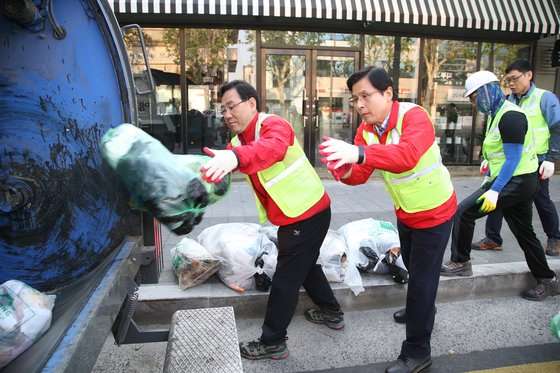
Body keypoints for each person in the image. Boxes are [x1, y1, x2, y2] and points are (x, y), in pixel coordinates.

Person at [320, 67, 457, 373]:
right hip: (406, 212)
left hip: (435, 213)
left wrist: (358, 154)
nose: (360, 105)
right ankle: (421, 311)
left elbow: (406, 156)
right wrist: (340, 168)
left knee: (421, 283)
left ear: (388, 94)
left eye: (366, 96)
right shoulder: (367, 130)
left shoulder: (414, 117)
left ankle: (417, 353)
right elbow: (359, 174)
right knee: (413, 270)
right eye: (355, 98)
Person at [201, 80, 343, 360]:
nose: (227, 114)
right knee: (306, 266)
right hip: (293, 215)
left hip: (307, 213)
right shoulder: (236, 142)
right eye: (223, 109)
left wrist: (234, 158)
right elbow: (236, 164)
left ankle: (273, 342)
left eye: (232, 106)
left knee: (285, 280)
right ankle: (332, 312)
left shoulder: (274, 125)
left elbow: (271, 150)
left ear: (251, 103)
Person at [440, 70, 560, 302]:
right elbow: (503, 152)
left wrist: (495, 190)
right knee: (525, 233)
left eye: (474, 97)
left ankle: (461, 261)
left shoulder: (510, 117)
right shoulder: (498, 114)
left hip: (517, 180)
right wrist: (489, 161)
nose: (474, 103)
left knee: (464, 212)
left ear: (488, 91)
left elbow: (514, 159)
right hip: (519, 179)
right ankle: (547, 280)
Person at [472, 60, 560, 256]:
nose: (511, 83)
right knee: (495, 197)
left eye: (515, 78)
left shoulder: (544, 98)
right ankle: (493, 238)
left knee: (541, 200)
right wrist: (486, 157)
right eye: (508, 80)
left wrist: (552, 158)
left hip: (536, 161)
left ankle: (555, 238)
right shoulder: (506, 101)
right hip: (508, 161)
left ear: (529, 75)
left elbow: (557, 128)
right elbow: (494, 130)